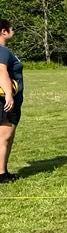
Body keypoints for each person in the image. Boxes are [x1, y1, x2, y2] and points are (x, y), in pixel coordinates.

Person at [0, 19, 24, 183]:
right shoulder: (2, 51)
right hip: (5, 101)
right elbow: (1, 71)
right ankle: (1, 175)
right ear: (3, 31)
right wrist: (8, 93)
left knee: (9, 137)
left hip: (14, 101)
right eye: (12, 29)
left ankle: (4, 171)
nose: (13, 31)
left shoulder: (6, 51)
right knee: (4, 137)